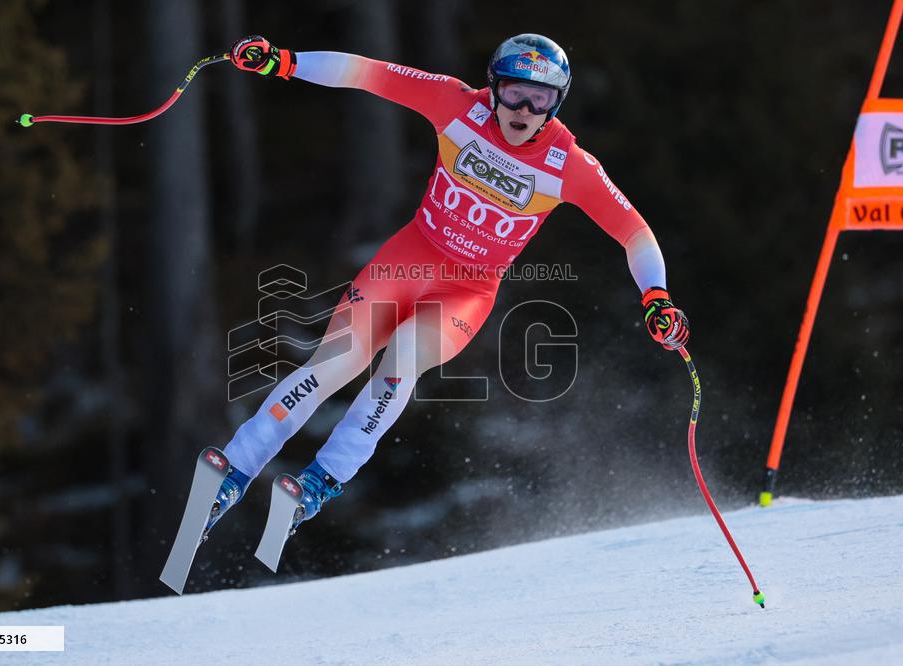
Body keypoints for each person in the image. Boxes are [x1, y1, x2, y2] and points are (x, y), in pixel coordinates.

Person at [203, 33, 690, 538]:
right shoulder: (454, 103)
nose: (523, 109)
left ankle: (323, 480)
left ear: (556, 103)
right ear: (493, 87)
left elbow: (635, 234)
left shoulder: (570, 164)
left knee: (404, 358)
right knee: (336, 360)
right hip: (408, 260)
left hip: (467, 291)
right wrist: (285, 62)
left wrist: (657, 296)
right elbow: (363, 72)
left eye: (540, 98)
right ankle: (236, 467)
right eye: (514, 92)